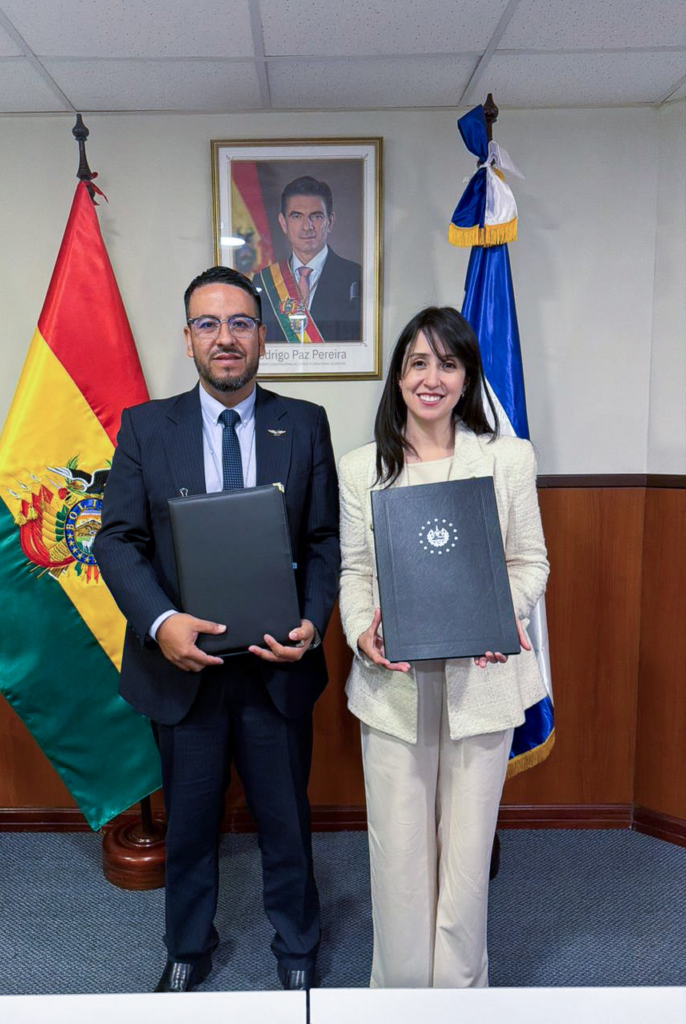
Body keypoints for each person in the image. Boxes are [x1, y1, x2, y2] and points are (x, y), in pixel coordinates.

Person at [93, 265, 340, 993]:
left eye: (239, 323)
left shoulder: (305, 423)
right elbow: (117, 541)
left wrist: (312, 621)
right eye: (208, 324)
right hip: (183, 668)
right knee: (191, 823)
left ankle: (297, 946)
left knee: (285, 820)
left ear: (262, 336)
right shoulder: (147, 427)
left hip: (277, 665)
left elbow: (323, 540)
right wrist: (161, 622)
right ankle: (187, 946)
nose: (224, 338)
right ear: (188, 339)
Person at [338, 307, 549, 988]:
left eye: (448, 364)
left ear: (466, 378)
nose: (432, 378)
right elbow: (355, 573)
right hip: (395, 685)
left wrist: (501, 614)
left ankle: (460, 997)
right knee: (398, 856)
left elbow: (530, 562)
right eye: (418, 363)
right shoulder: (361, 469)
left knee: (465, 859)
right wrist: (362, 630)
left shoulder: (508, 459)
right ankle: (399, 997)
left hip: (480, 679)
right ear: (399, 377)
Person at [253, 175, 362, 343]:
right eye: (297, 216)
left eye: (316, 216)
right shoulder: (263, 281)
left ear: (330, 221)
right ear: (283, 223)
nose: (307, 226)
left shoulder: (355, 276)